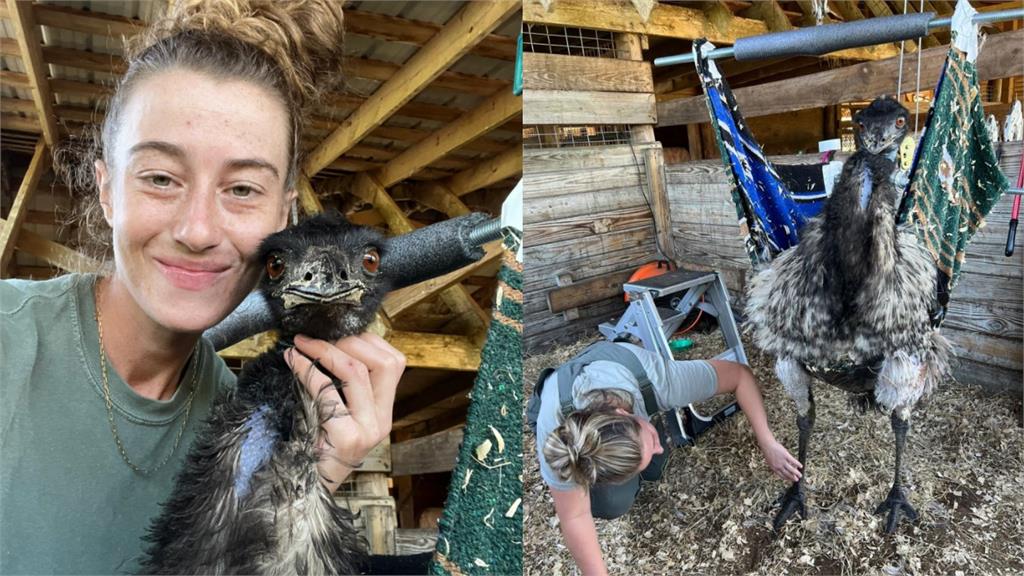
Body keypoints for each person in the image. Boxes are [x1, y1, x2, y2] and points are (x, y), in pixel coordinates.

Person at [0, 1, 405, 573]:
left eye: (242, 189)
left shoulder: (238, 416)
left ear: (283, 217)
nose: (198, 230)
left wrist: (310, 474)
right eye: (161, 178)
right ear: (107, 190)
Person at [530, 339, 801, 576]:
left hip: (617, 366)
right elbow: (574, 516)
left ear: (626, 414)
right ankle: (627, 477)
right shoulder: (559, 437)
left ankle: (644, 456)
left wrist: (767, 441)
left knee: (657, 465)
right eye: (652, 441)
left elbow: (740, 376)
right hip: (564, 401)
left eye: (649, 439)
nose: (660, 446)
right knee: (612, 504)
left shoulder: (660, 380)